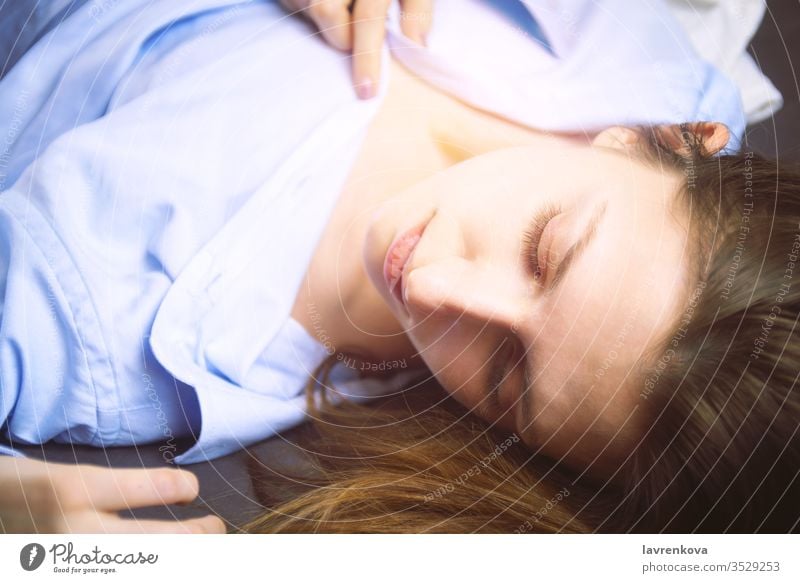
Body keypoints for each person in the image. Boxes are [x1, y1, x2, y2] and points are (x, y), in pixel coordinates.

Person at [0, 0, 794, 534]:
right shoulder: (656, 81)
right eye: (544, 249)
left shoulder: (108, 334)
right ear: (650, 141)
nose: (433, 288)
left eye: (506, 378)